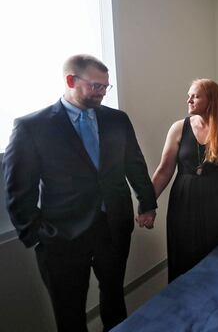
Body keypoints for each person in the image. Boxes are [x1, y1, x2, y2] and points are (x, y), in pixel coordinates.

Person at [2, 54, 157, 332]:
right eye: (96, 86)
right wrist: (39, 236)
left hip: (113, 229)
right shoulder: (32, 127)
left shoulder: (117, 120)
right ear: (71, 80)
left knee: (114, 300)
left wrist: (147, 202)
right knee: (70, 314)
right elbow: (17, 191)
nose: (102, 92)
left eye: (106, 87)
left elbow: (134, 164)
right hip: (61, 238)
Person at [151, 79, 218, 282]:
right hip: (183, 202)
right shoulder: (179, 128)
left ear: (211, 100)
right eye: (189, 95)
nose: (189, 100)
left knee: (213, 256)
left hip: (217, 203)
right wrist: (147, 205)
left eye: (195, 96)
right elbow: (164, 171)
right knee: (182, 254)